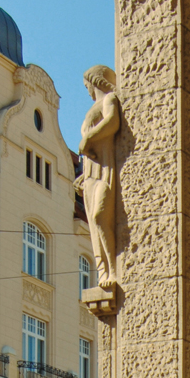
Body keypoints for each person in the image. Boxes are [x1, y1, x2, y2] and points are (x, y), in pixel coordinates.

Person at [77, 64, 120, 290]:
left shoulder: (109, 99)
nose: (87, 90)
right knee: (93, 224)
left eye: (88, 85)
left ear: (96, 81)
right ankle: (102, 272)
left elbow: (112, 122)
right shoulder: (90, 110)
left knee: (99, 216)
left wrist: (88, 138)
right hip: (91, 174)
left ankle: (114, 269)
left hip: (105, 169)